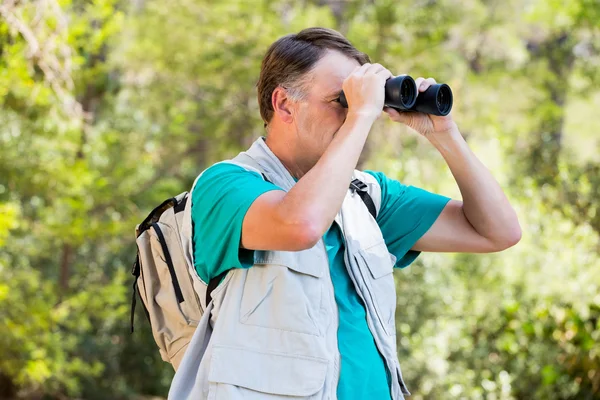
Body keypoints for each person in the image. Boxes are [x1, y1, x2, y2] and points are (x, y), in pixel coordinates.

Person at [171, 27, 521, 400]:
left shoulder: (366, 197)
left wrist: (444, 133)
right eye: (343, 100)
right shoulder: (225, 186)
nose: (357, 113)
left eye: (361, 100)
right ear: (284, 104)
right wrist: (362, 115)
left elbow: (497, 232)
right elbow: (300, 224)